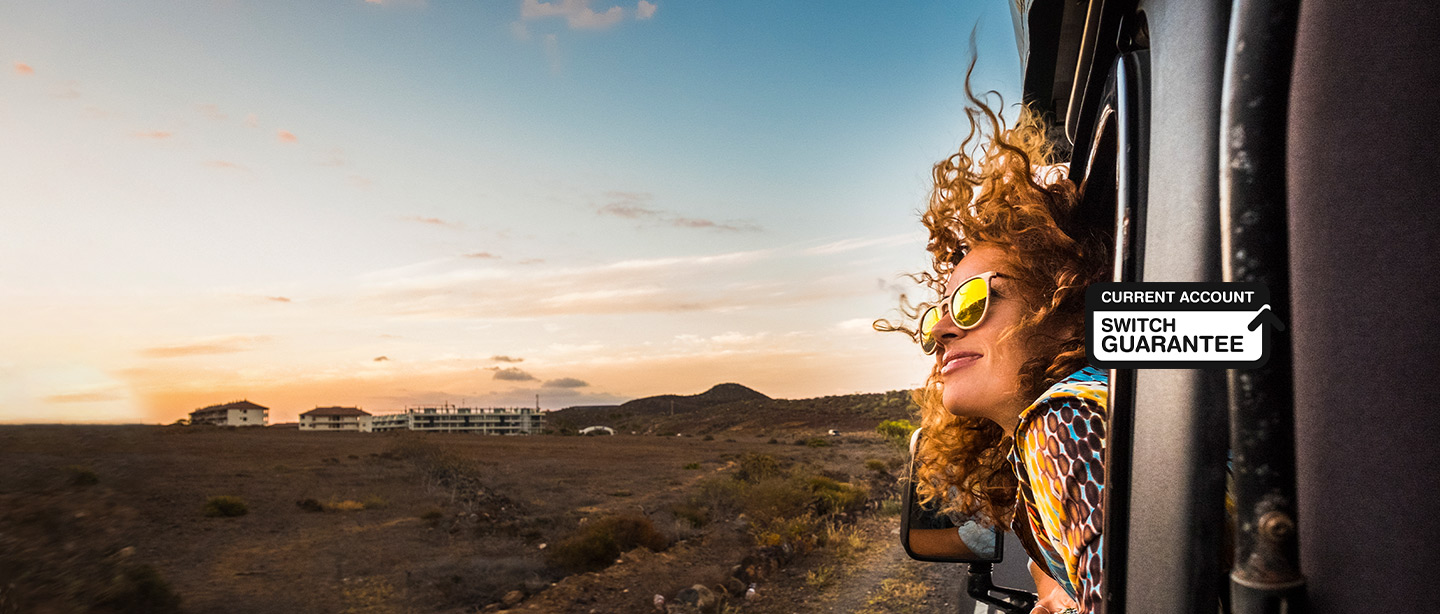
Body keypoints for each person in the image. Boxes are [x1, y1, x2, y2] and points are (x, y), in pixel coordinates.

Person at [880, 83, 1113, 614]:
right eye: (939, 312)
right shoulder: (1106, 410)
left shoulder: (1064, 420)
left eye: (972, 301)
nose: (941, 331)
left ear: (1065, 306)